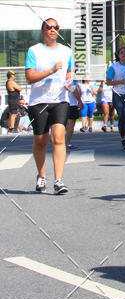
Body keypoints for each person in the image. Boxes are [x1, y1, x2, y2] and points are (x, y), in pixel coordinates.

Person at [25, 18, 73, 194]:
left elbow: (69, 74)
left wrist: (72, 87)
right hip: (39, 101)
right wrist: (51, 71)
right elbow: (30, 78)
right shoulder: (34, 51)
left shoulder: (67, 51)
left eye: (56, 27)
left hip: (60, 100)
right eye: (48, 27)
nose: (52, 30)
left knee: (59, 138)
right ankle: (41, 175)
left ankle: (59, 180)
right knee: (40, 141)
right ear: (43, 30)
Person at [65, 79, 83, 149]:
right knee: (70, 126)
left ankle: (64, 143)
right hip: (71, 104)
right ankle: (67, 143)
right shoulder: (70, 80)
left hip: (67, 104)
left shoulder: (75, 82)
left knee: (66, 126)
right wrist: (80, 101)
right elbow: (74, 91)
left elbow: (78, 91)